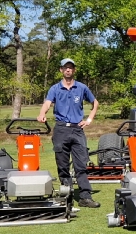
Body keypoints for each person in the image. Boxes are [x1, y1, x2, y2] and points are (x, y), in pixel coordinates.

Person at [37, 58, 101, 208]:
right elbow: (47, 103)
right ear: (61, 70)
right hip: (61, 129)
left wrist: (89, 120)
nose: (68, 70)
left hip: (77, 129)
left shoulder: (81, 87)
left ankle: (85, 197)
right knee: (62, 165)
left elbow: (95, 103)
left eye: (70, 67)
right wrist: (42, 113)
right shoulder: (55, 88)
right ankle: (67, 196)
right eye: (65, 67)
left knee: (81, 165)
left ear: (74, 70)